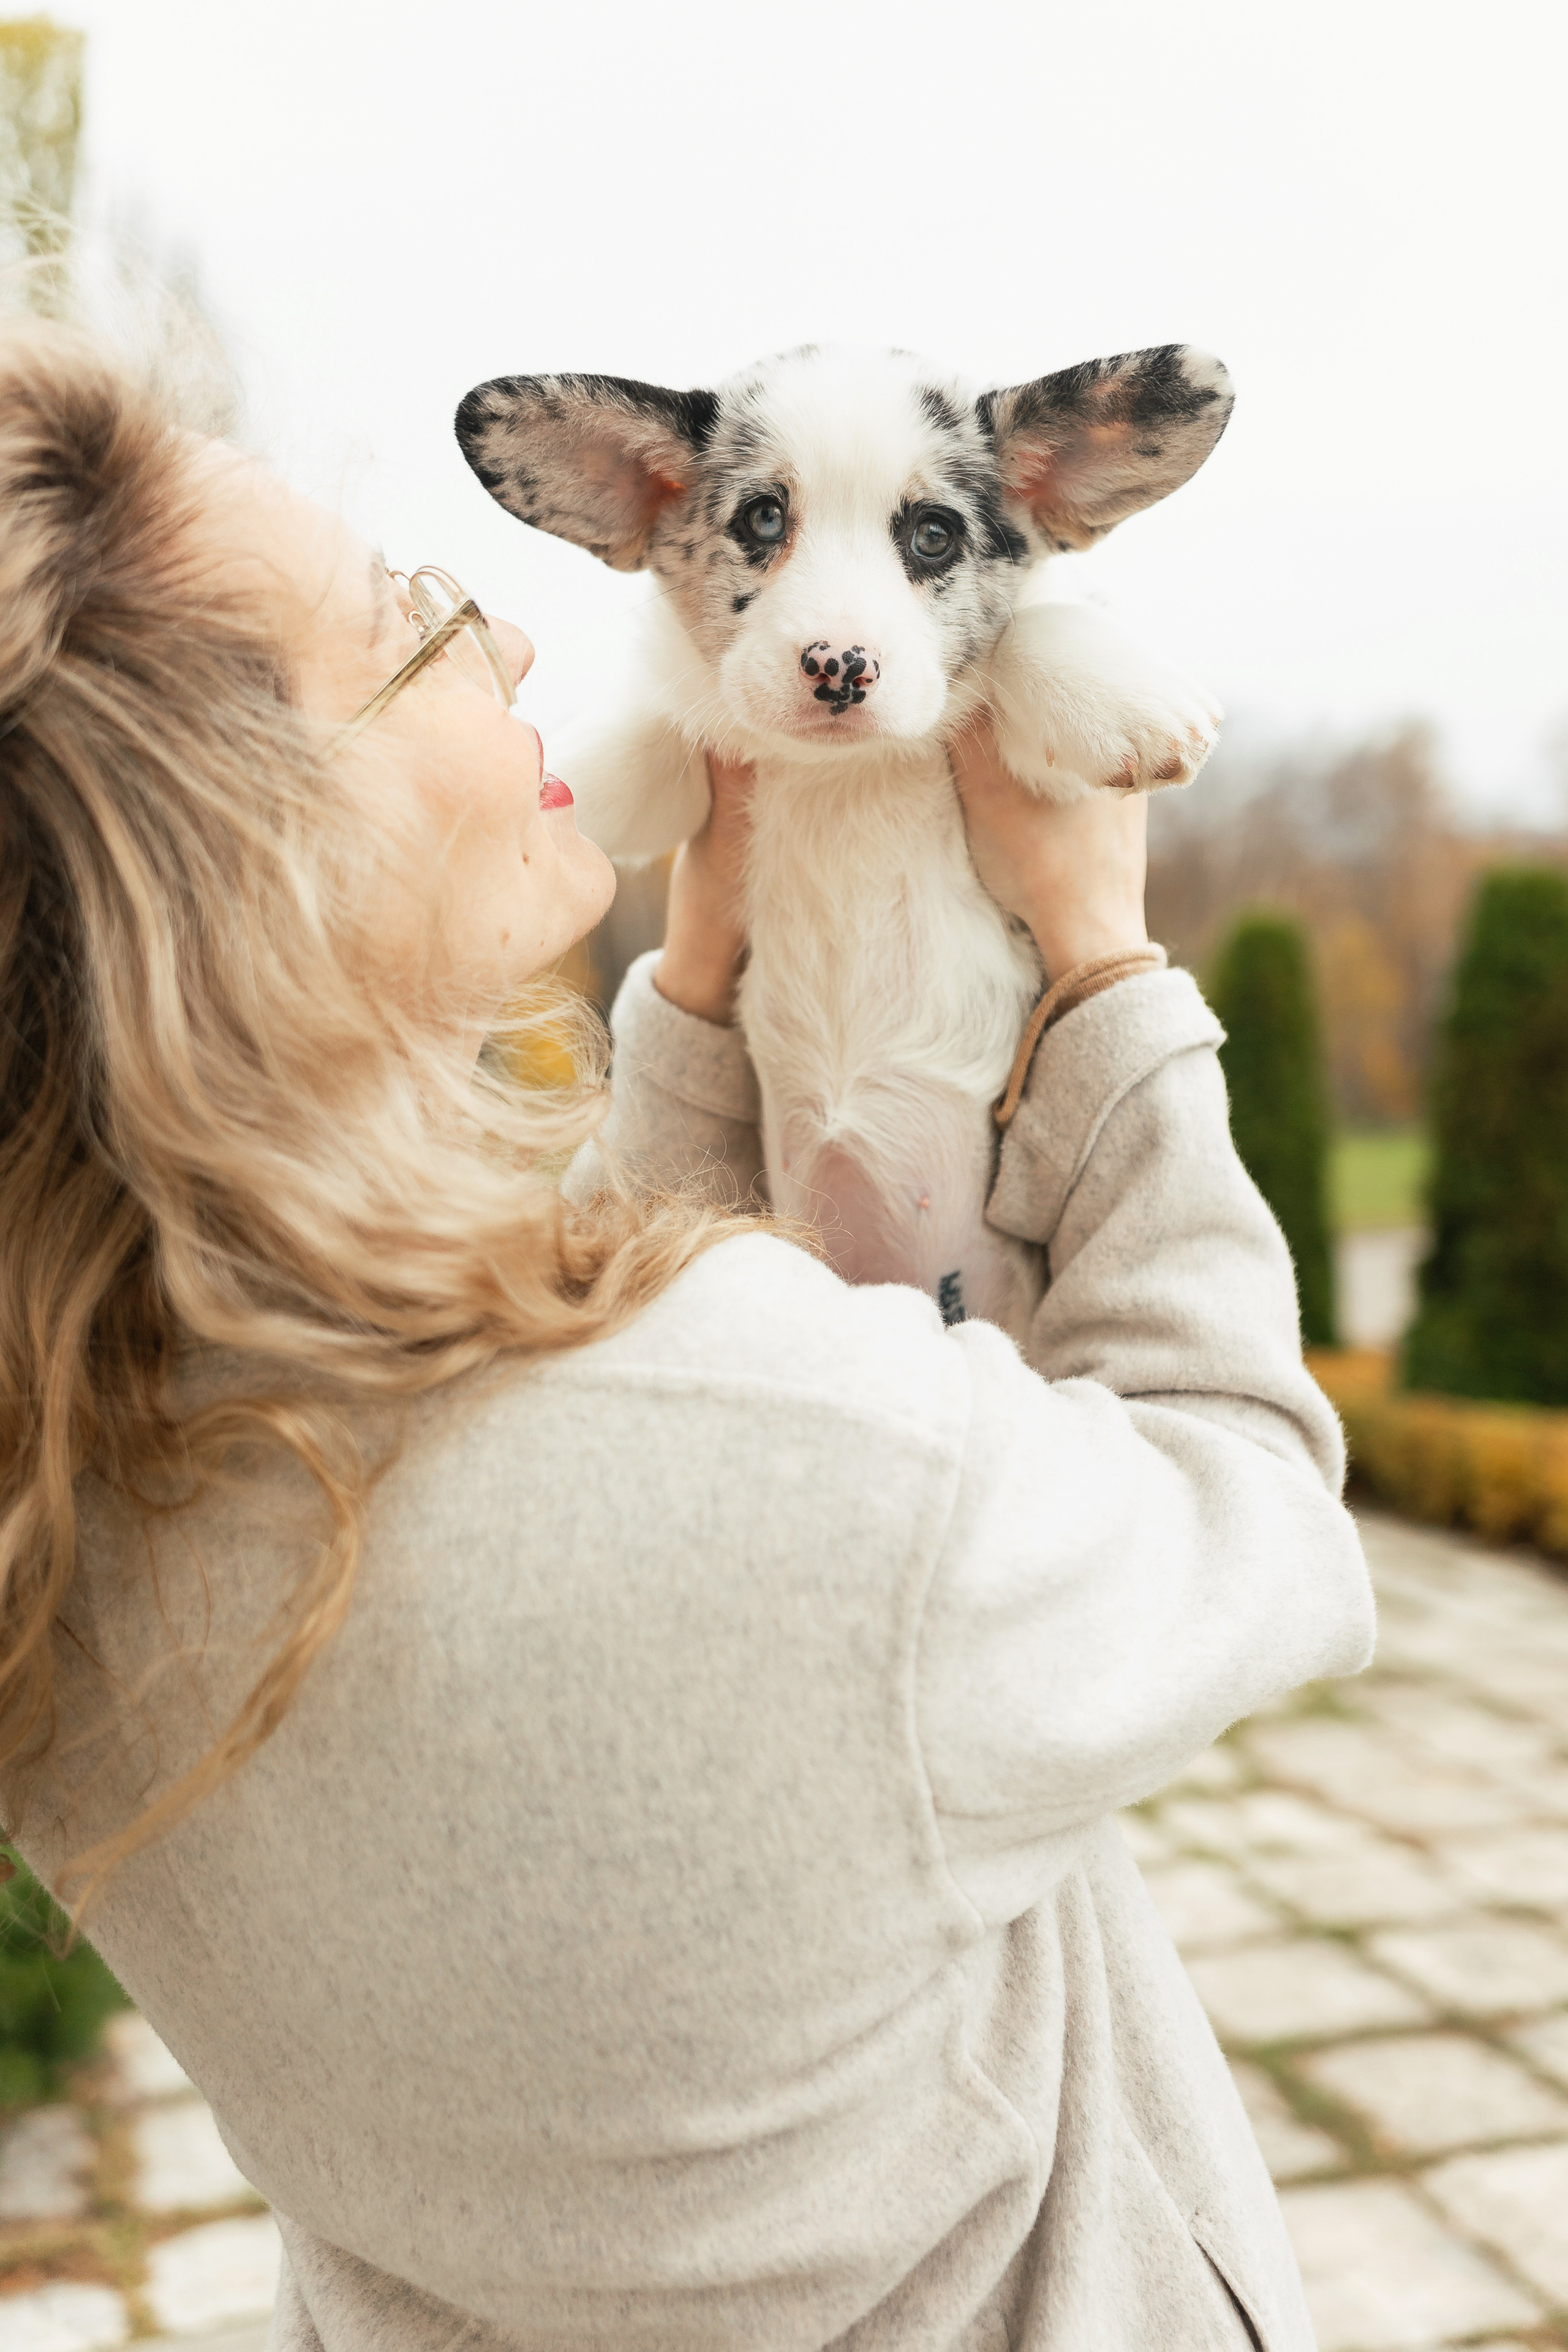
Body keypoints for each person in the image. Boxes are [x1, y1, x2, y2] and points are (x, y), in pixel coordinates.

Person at [0, 316, 1372, 2352]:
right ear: (242, 838)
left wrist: (702, 997)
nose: (514, 641)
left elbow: (591, 1341)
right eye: (411, 619)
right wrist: (1107, 965)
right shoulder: (833, 1476)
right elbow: (1247, 1509)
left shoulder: (71, 1533)